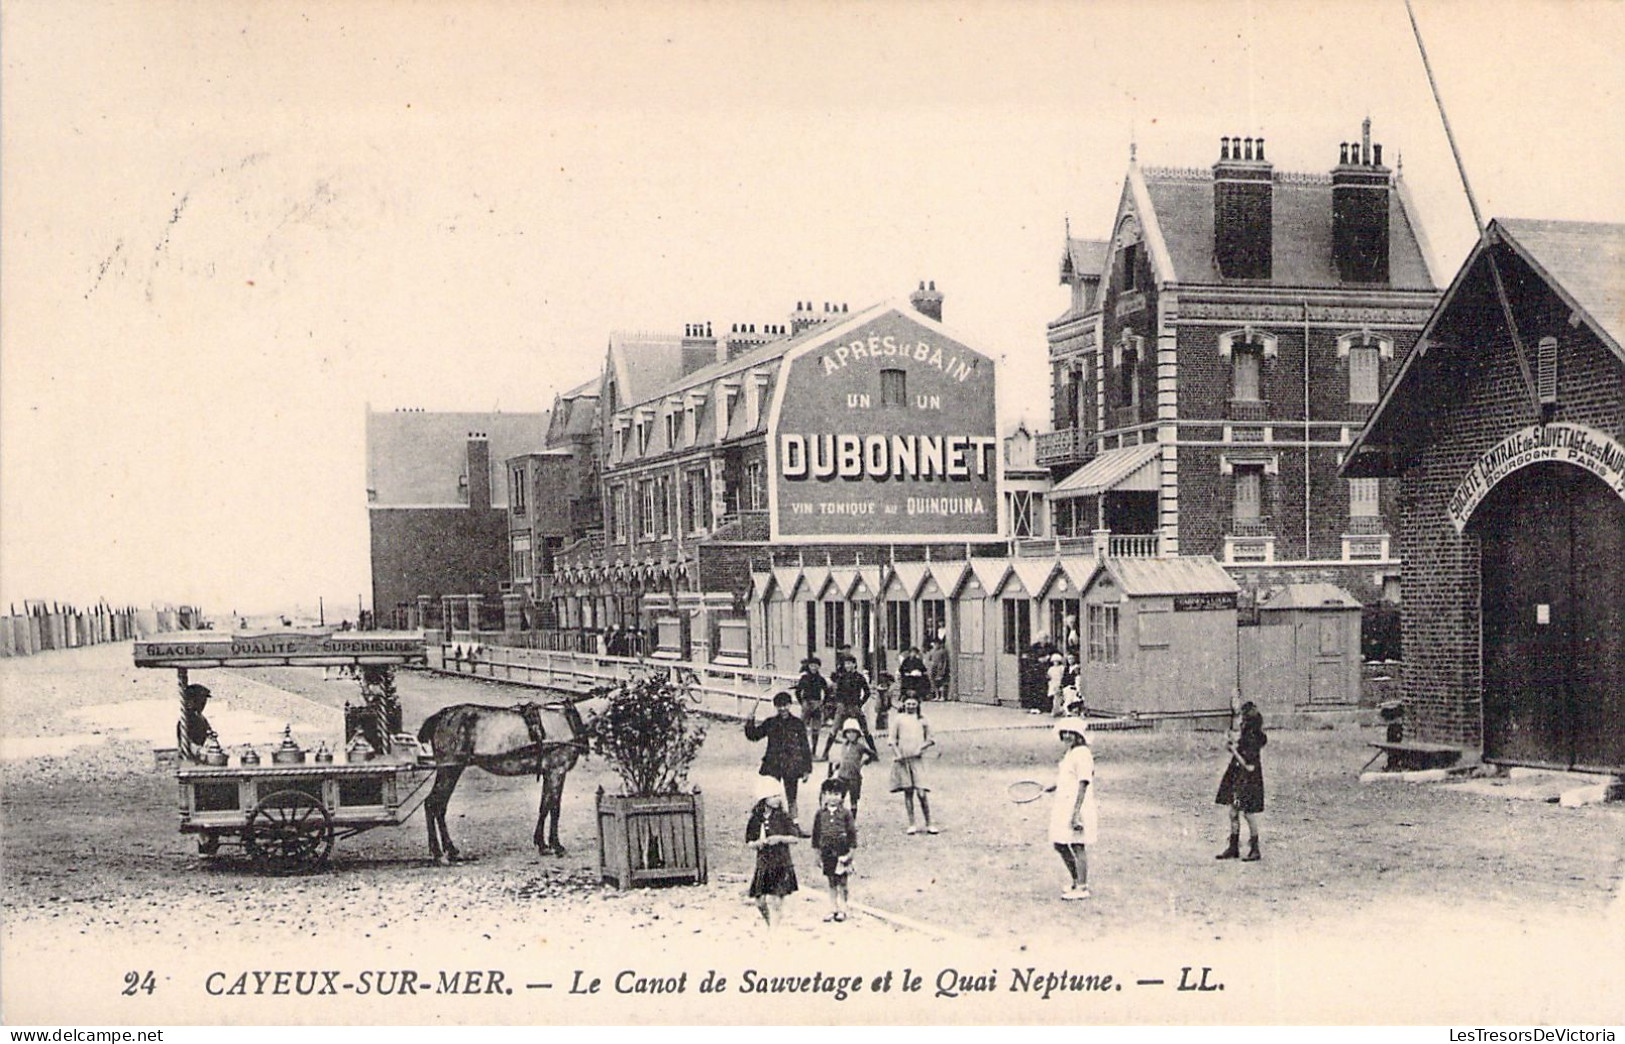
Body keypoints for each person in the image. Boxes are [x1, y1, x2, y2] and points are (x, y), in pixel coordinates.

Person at [1046, 717, 1098, 900]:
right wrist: (1054, 786)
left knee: (1077, 844)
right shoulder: (1071, 752)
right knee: (1059, 843)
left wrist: (1076, 812)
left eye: (1071, 733)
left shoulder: (1083, 753)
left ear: (1079, 736)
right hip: (1064, 804)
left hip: (1078, 805)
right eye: (1064, 733)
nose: (1067, 736)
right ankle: (1076, 881)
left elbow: (1084, 782)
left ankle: (1083, 887)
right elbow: (1068, 777)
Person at [745, 692, 813, 827]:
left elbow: (805, 747)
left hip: (791, 765)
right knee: (770, 795)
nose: (783, 709)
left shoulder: (797, 724)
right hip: (773, 764)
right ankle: (767, 825)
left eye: (785, 705)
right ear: (775, 706)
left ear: (790, 705)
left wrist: (807, 769)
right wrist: (750, 720)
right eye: (779, 706)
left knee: (792, 797)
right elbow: (753, 736)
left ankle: (795, 826)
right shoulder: (770, 723)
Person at [745, 775, 800, 928]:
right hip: (764, 864)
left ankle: (774, 931)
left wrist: (780, 838)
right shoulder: (756, 819)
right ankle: (771, 924)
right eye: (773, 796)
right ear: (764, 798)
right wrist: (758, 843)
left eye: (778, 795)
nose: (777, 799)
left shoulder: (783, 817)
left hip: (781, 862)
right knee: (759, 901)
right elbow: (749, 842)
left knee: (777, 900)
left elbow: (795, 838)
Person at [1215, 701, 1267, 862]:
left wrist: (1233, 751)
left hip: (1247, 779)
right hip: (1239, 777)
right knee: (1233, 812)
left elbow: (1249, 766)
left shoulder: (1251, 740)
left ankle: (1255, 848)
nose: (1240, 721)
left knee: (1248, 813)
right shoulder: (1249, 736)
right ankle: (1234, 847)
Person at [887, 694, 937, 834]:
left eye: (913, 704)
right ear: (904, 704)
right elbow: (892, 739)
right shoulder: (899, 719)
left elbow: (931, 739)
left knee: (921, 792)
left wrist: (921, 748)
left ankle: (929, 823)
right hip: (903, 760)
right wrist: (897, 754)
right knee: (908, 792)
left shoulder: (922, 720)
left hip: (917, 760)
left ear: (918, 704)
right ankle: (912, 823)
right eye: (908, 704)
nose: (911, 706)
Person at [810, 778, 857, 923]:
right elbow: (816, 835)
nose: (833, 797)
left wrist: (850, 853)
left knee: (842, 882)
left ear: (842, 796)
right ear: (824, 794)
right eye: (829, 793)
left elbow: (852, 835)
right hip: (827, 851)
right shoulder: (820, 814)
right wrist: (817, 856)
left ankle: (843, 908)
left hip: (842, 851)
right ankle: (833, 908)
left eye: (837, 794)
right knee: (831, 881)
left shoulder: (846, 814)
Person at [822, 656, 878, 761]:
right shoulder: (841, 677)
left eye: (850, 663)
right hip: (842, 706)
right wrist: (839, 703)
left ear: (854, 664)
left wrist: (860, 703)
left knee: (864, 729)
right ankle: (825, 754)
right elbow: (837, 692)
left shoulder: (859, 677)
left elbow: (867, 692)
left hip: (854, 706)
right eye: (846, 663)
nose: (848, 665)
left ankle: (874, 753)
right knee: (834, 729)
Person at [827, 718, 876, 820]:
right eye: (848, 732)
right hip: (842, 776)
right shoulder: (843, 745)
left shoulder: (860, 746)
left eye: (854, 732)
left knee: (854, 800)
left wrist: (863, 763)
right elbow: (842, 759)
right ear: (845, 734)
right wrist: (835, 768)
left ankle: (852, 822)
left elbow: (873, 755)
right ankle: (839, 820)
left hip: (854, 777)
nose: (851, 735)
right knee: (839, 798)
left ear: (857, 734)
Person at [795, 657, 831, 756]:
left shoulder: (821, 679)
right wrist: (802, 702)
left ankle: (813, 751)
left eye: (816, 665)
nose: (813, 668)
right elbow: (798, 691)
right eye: (811, 665)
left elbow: (827, 692)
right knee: (802, 728)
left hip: (817, 704)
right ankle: (802, 750)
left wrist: (823, 703)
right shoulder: (804, 678)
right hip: (806, 704)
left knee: (815, 729)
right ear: (808, 666)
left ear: (819, 666)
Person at [177, 683, 215, 761]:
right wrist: (199, 750)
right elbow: (187, 743)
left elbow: (209, 734)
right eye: (201, 702)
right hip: (189, 759)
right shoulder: (186, 720)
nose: (203, 705)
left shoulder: (202, 719)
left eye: (204, 702)